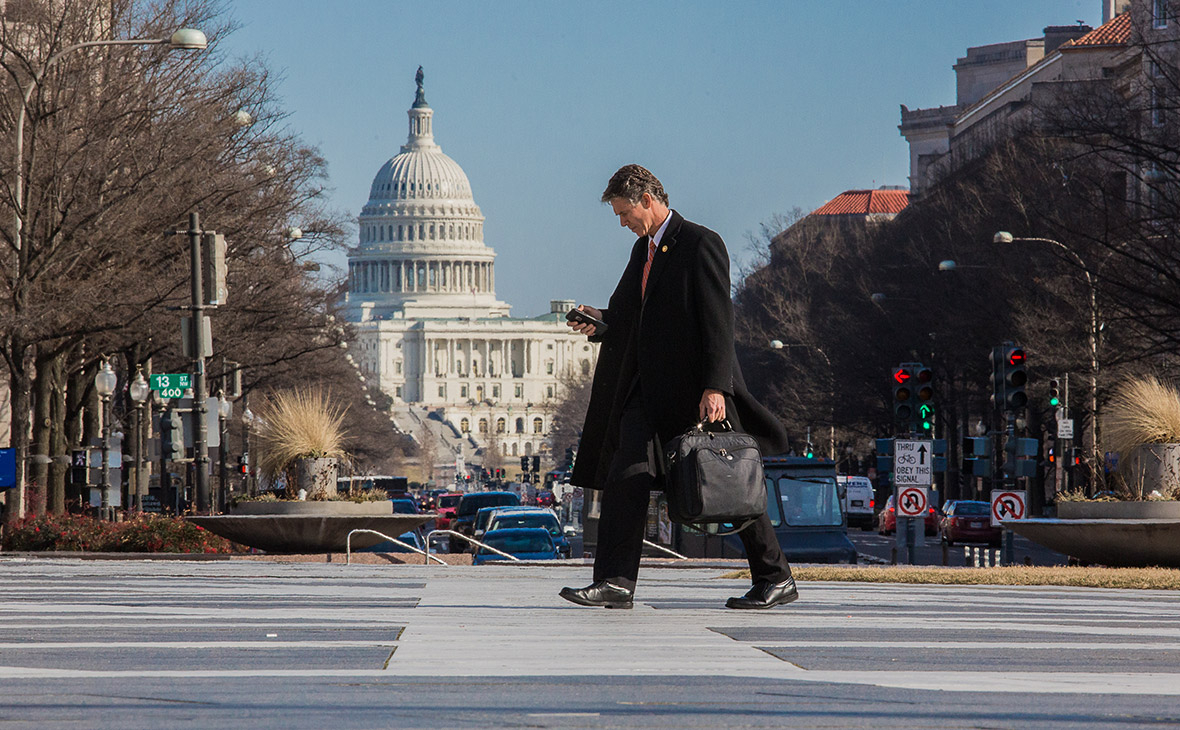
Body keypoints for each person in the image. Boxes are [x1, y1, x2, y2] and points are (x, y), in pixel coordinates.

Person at [560, 164, 799, 610]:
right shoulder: (641, 253)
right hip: (645, 393)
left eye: (624, 212)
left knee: (725, 482)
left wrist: (715, 387)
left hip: (694, 395)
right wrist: (597, 322)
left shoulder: (700, 244)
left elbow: (718, 323)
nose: (622, 222)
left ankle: (774, 575)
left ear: (648, 200)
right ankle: (615, 581)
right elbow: (630, 318)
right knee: (624, 476)